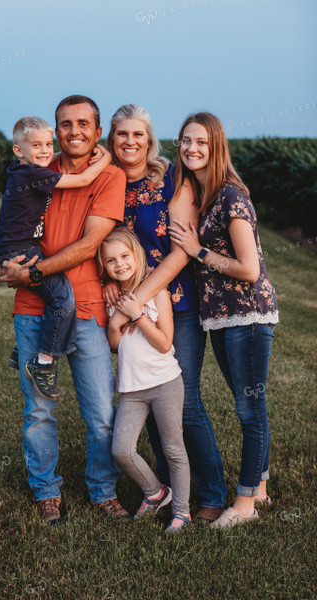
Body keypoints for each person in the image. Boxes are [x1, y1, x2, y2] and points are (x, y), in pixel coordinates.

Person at [0, 95, 129, 525]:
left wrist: (32, 273)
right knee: (39, 409)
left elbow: (90, 245)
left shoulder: (108, 177)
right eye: (65, 124)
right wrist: (4, 265)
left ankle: (103, 489)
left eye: (83, 124)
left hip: (86, 306)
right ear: (54, 130)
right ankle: (46, 491)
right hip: (33, 308)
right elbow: (6, 225)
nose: (74, 132)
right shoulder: (38, 169)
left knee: (102, 413)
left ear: (97, 128)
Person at [104, 104, 227, 522]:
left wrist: (136, 300)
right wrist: (109, 283)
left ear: (149, 138)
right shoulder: (108, 186)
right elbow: (102, 245)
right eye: (122, 134)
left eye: (138, 134)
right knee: (148, 397)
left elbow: (180, 252)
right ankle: (165, 487)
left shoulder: (173, 178)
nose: (130, 142)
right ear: (112, 139)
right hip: (132, 307)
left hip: (178, 304)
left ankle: (211, 492)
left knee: (185, 400)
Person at [169, 111, 278, 528]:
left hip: (247, 316)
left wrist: (198, 251)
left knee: (250, 410)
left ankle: (245, 504)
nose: (191, 148)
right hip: (221, 320)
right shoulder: (207, 195)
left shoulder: (231, 196)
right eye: (185, 141)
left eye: (201, 143)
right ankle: (261, 487)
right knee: (248, 405)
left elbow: (249, 269)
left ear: (216, 149)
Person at [0, 116, 112, 399]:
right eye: (37, 145)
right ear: (19, 150)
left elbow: (47, 156)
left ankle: (24, 347)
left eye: (49, 144)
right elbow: (82, 179)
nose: (46, 151)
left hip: (10, 245)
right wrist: (105, 157)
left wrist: (48, 151)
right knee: (62, 298)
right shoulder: (35, 175)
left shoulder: (21, 169)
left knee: (49, 291)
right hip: (21, 250)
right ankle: (43, 362)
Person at [98, 228, 191, 533]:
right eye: (111, 260)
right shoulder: (111, 296)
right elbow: (115, 345)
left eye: (125, 256)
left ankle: (182, 512)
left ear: (136, 254)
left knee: (173, 448)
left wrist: (137, 316)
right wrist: (115, 321)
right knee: (121, 450)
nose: (120, 264)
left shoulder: (157, 292)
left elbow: (165, 343)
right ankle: (155, 493)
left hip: (165, 382)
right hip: (131, 389)